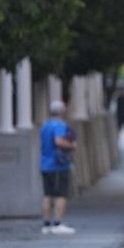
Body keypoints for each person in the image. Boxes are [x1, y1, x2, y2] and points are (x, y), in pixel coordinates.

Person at [39, 100, 77, 235]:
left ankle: (46, 224)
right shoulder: (60, 126)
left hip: (44, 164)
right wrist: (72, 146)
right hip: (58, 165)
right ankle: (58, 223)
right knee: (61, 194)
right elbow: (59, 141)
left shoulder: (45, 126)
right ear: (61, 112)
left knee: (47, 195)